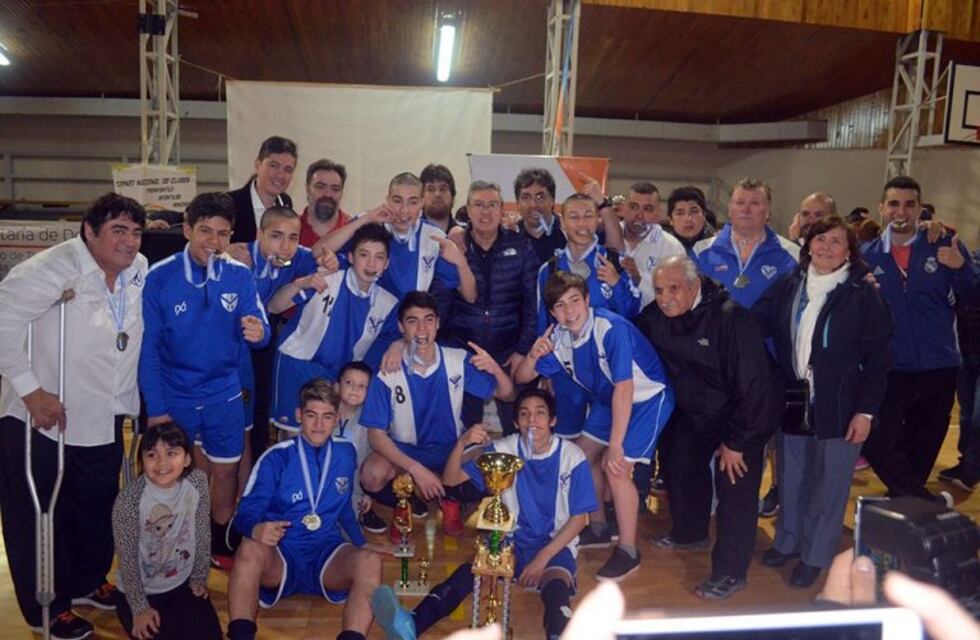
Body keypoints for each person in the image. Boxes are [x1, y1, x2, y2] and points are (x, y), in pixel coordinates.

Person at [0, 192, 147, 639]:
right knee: (41, 514)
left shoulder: (136, 270)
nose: (129, 241)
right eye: (118, 230)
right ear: (89, 231)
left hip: (103, 414)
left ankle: (85, 581)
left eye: (136, 232)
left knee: (92, 508)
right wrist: (31, 392)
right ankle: (46, 606)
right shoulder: (50, 269)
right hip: (43, 418)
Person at [371, 387, 597, 640]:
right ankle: (411, 624)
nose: (532, 420)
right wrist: (462, 443)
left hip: (553, 545)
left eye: (540, 413)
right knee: (466, 575)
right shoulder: (504, 449)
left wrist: (541, 560)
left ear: (553, 420)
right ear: (515, 421)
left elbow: (580, 519)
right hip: (507, 539)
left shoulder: (572, 457)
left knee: (556, 590)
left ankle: (559, 635)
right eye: (524, 414)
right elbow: (451, 480)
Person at [753, 216, 893, 588]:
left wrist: (865, 411)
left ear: (849, 252)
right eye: (820, 240)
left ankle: (815, 554)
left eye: (836, 242)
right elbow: (756, 323)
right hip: (795, 400)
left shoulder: (863, 295)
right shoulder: (789, 285)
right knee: (792, 476)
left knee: (829, 485)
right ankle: (788, 541)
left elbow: (879, 361)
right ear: (808, 244)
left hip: (841, 406)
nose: (826, 248)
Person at [515, 272, 674, 581]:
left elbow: (626, 388)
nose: (569, 310)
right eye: (560, 306)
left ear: (588, 300)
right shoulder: (559, 338)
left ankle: (628, 550)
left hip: (647, 397)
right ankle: (599, 526)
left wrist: (615, 446)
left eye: (576, 301)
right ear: (552, 313)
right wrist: (534, 354)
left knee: (615, 467)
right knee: (581, 455)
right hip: (608, 397)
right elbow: (522, 378)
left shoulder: (610, 329)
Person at [635, 256, 778, 599]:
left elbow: (755, 388)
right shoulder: (655, 317)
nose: (665, 297)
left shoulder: (732, 321)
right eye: (658, 290)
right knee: (679, 465)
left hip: (742, 415)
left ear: (694, 285)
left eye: (674, 288)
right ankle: (689, 531)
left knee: (735, 488)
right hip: (694, 412)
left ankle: (731, 571)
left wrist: (738, 442)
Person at [139, 192, 270, 561]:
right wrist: (157, 408)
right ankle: (184, 545)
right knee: (183, 476)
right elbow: (148, 350)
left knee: (226, 472)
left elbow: (259, 325)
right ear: (187, 229)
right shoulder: (159, 278)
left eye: (223, 233)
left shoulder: (240, 275)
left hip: (224, 394)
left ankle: (219, 537)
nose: (214, 242)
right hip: (176, 394)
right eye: (206, 231)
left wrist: (261, 334)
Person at [226, 379, 386, 640]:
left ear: (337, 419)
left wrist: (362, 543)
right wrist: (257, 528)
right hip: (281, 554)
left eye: (327, 417)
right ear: (300, 415)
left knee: (371, 562)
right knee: (249, 547)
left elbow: (344, 505)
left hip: (327, 553)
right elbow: (244, 513)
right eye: (311, 416)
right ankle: (241, 635)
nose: (319, 425)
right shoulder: (276, 458)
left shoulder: (347, 453)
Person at [861, 176, 980, 502]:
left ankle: (904, 512)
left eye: (909, 204)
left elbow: (974, 294)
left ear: (920, 209)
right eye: (894, 204)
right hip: (890, 367)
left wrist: (960, 269)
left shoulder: (943, 245)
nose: (901, 211)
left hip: (939, 366)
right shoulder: (866, 256)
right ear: (881, 209)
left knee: (923, 449)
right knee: (876, 441)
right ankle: (925, 503)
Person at [359, 292, 514, 537]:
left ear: (438, 323)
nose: (422, 328)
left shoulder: (458, 360)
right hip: (407, 451)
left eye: (428, 319)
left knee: (491, 469)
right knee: (371, 475)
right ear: (401, 326)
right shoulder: (387, 370)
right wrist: (416, 469)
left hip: (451, 449)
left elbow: (507, 395)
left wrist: (495, 368)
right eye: (412, 321)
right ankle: (412, 495)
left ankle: (450, 498)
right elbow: (376, 436)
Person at [269, 223, 401, 435]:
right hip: (297, 367)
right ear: (350, 257)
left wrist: (399, 343)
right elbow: (274, 306)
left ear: (386, 263)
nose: (370, 263)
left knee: (326, 440)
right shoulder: (326, 277)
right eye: (364, 254)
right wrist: (300, 284)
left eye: (378, 257)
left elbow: (395, 338)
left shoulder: (388, 304)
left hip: (336, 379)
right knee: (293, 441)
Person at [535, 194, 641, 442]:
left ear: (597, 221)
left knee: (605, 447)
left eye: (588, 216)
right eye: (574, 217)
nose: (582, 224)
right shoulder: (549, 269)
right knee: (566, 440)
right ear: (562, 223)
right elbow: (544, 326)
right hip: (566, 369)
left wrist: (617, 284)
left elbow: (631, 317)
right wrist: (546, 373)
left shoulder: (615, 262)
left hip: (607, 368)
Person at [442, 180, 539, 434]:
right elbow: (443, 302)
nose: (485, 212)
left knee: (516, 428)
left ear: (502, 210)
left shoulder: (521, 247)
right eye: (479, 205)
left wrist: (522, 350)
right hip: (465, 351)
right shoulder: (454, 248)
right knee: (467, 430)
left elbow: (532, 305)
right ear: (468, 209)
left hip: (508, 351)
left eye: (492, 205)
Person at [111, 422, 221, 640]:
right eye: (152, 455)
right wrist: (139, 608)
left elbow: (202, 533)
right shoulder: (129, 500)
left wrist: (198, 577)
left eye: (172, 453)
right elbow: (127, 560)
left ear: (187, 458)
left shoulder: (197, 483)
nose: (162, 463)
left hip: (181, 584)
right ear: (142, 460)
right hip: (139, 593)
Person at [315, 172, 477, 308]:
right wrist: (364, 220)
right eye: (397, 201)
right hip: (364, 325)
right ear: (387, 200)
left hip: (408, 328)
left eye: (412, 202)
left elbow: (470, 296)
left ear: (422, 203)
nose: (404, 210)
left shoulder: (434, 237)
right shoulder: (368, 222)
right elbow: (316, 251)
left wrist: (461, 262)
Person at [940, 247, 980, 492]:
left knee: (977, 416)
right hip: (966, 350)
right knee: (966, 412)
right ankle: (966, 461)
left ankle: (972, 469)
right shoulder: (970, 257)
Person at [334, 361, 385, 533]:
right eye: (349, 383)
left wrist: (367, 494)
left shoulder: (370, 421)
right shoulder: (323, 414)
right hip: (320, 487)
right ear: (337, 386)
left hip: (352, 491)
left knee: (349, 537)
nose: (355, 389)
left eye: (362, 386)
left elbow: (370, 457)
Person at [618, 181, 686, 308]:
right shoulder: (606, 237)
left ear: (658, 213)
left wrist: (639, 279)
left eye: (648, 209)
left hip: (652, 323)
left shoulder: (672, 248)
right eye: (633, 207)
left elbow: (677, 297)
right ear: (622, 208)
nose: (639, 215)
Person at [227, 136, 297, 243]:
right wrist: (225, 251)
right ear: (258, 165)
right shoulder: (230, 203)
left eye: (288, 169)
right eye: (273, 166)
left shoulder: (286, 203)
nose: (280, 175)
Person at [300, 158, 350, 247]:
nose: (327, 194)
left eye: (335, 189)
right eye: (320, 187)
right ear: (307, 189)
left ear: (342, 192)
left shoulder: (353, 231)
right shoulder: (291, 230)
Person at [665, 185, 715, 259]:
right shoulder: (661, 248)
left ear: (704, 215)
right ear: (670, 220)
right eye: (680, 213)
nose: (688, 219)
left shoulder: (719, 247)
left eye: (694, 212)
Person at [420, 163, 462, 233]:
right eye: (431, 189)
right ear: (421, 198)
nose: (437, 194)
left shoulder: (465, 235)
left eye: (443, 189)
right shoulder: (409, 234)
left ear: (453, 197)